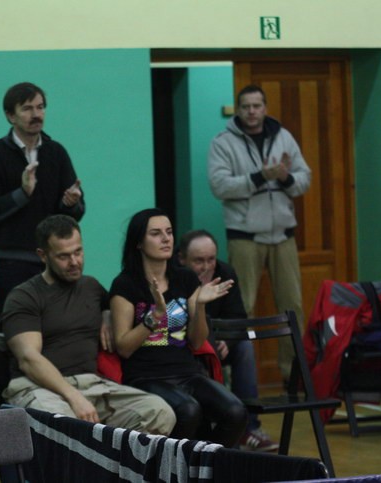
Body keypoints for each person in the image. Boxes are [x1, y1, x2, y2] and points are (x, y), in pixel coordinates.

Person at [1, 214, 175, 435]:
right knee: (64, 425)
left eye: (78, 252)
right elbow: (29, 359)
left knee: (159, 412)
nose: (74, 262)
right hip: (38, 387)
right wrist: (74, 397)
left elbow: (111, 305)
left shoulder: (91, 287)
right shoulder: (24, 296)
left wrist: (106, 314)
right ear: (43, 255)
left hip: (92, 385)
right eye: (63, 256)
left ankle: (115, 460)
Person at [109, 209, 247, 447]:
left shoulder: (185, 279)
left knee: (236, 412)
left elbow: (197, 341)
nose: (166, 239)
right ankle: (174, 466)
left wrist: (200, 305)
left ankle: (205, 463)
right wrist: (154, 317)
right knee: (188, 410)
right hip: (145, 376)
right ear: (139, 242)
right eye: (156, 233)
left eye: (169, 232)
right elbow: (123, 347)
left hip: (187, 373)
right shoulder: (126, 284)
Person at [207, 84, 311, 379]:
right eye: (246, 107)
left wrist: (285, 177)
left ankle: (294, 378)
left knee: (292, 307)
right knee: (243, 308)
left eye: (257, 106)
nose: (252, 112)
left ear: (265, 108)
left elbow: (305, 179)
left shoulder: (283, 137)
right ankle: (242, 380)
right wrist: (259, 177)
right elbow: (219, 186)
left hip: (283, 235)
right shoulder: (223, 142)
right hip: (245, 237)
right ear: (238, 110)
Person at [0, 82, 84, 332]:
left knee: (56, 331)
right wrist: (22, 194)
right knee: (15, 332)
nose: (36, 114)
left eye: (40, 107)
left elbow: (74, 212)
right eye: (27, 108)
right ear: (10, 116)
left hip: (54, 261)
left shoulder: (56, 152)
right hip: (11, 264)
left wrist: (71, 204)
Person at [177, 229, 279, 452]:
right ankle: (216, 424)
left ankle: (249, 427)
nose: (206, 267)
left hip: (219, 342)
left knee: (244, 347)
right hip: (185, 348)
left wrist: (228, 341)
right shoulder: (174, 277)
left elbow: (238, 317)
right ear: (182, 259)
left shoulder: (225, 272)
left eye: (211, 259)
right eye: (198, 261)